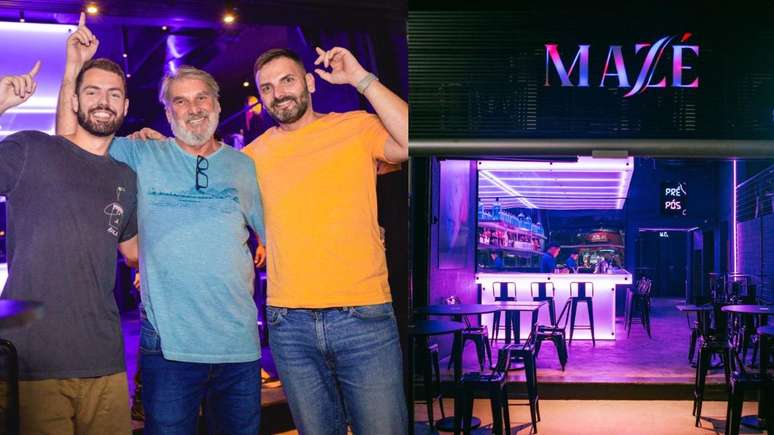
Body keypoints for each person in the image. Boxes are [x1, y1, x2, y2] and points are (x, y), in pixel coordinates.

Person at [56, 17, 266, 435]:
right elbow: (69, 144)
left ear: (218, 104)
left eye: (202, 98)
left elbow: (278, 234)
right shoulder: (142, 155)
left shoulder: (244, 167)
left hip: (238, 350)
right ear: (167, 112)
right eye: (181, 102)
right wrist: (72, 69)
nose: (194, 109)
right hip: (168, 350)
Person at [243, 46, 408, 434]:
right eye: (267, 87)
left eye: (287, 80)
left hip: (363, 317)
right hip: (289, 323)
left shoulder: (356, 127)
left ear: (310, 83)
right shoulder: (251, 156)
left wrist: (361, 79)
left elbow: (413, 139)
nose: (279, 93)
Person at [1, 17, 139, 433]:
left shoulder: (125, 177)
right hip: (31, 361)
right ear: (74, 101)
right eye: (92, 91)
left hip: (107, 363)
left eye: (114, 94)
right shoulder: (30, 149)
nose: (104, 100)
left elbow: (134, 252)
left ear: (126, 107)